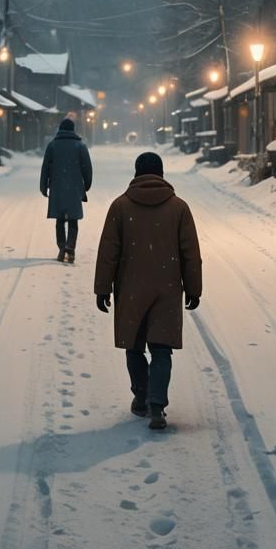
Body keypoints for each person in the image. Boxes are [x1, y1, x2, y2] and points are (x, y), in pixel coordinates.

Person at [94, 152, 202, 431]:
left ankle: (141, 397)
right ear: (162, 173)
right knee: (162, 349)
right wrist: (193, 288)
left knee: (134, 346)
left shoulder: (120, 207)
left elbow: (108, 253)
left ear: (136, 173)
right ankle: (157, 404)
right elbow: (190, 253)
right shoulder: (179, 208)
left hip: (131, 288)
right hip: (166, 288)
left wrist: (102, 288)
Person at [40, 117, 93, 263]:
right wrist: (86, 185)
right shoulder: (80, 146)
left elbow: (45, 167)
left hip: (57, 187)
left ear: (60, 129)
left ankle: (62, 248)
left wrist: (43, 186)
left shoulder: (52, 146)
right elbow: (87, 168)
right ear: (73, 130)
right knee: (73, 219)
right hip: (75, 187)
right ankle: (71, 247)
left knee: (60, 219)